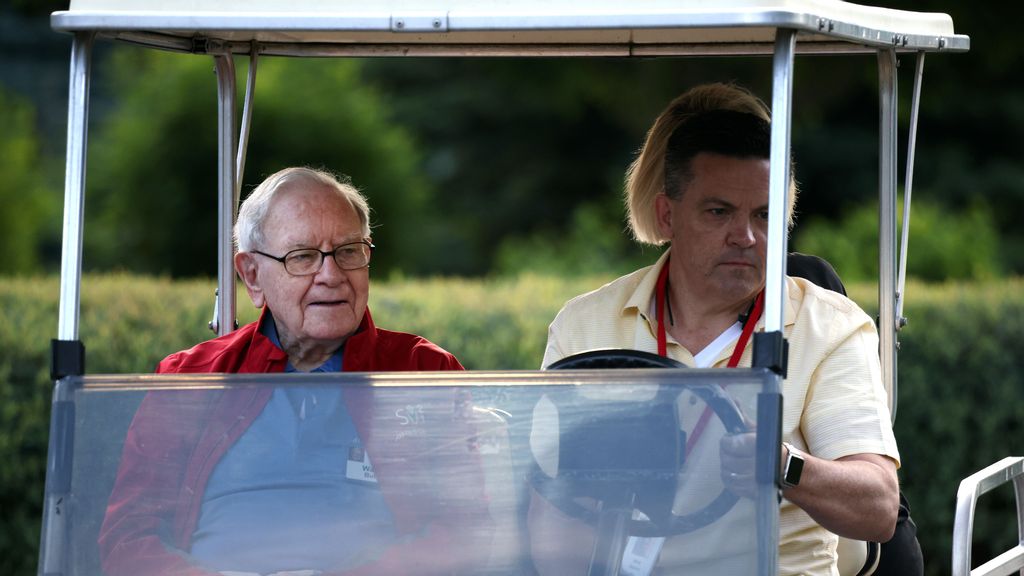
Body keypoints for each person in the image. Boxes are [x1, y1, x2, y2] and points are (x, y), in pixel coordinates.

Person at [531, 83, 900, 576]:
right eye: (719, 212)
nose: (745, 236)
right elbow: (549, 520)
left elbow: (878, 507)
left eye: (764, 215)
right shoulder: (586, 323)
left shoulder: (829, 327)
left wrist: (783, 466)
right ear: (667, 215)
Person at [98, 167, 491, 576]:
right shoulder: (192, 378)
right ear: (252, 275)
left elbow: (463, 530)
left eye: (349, 251)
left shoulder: (422, 371)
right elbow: (129, 538)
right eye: (302, 256)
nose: (331, 275)